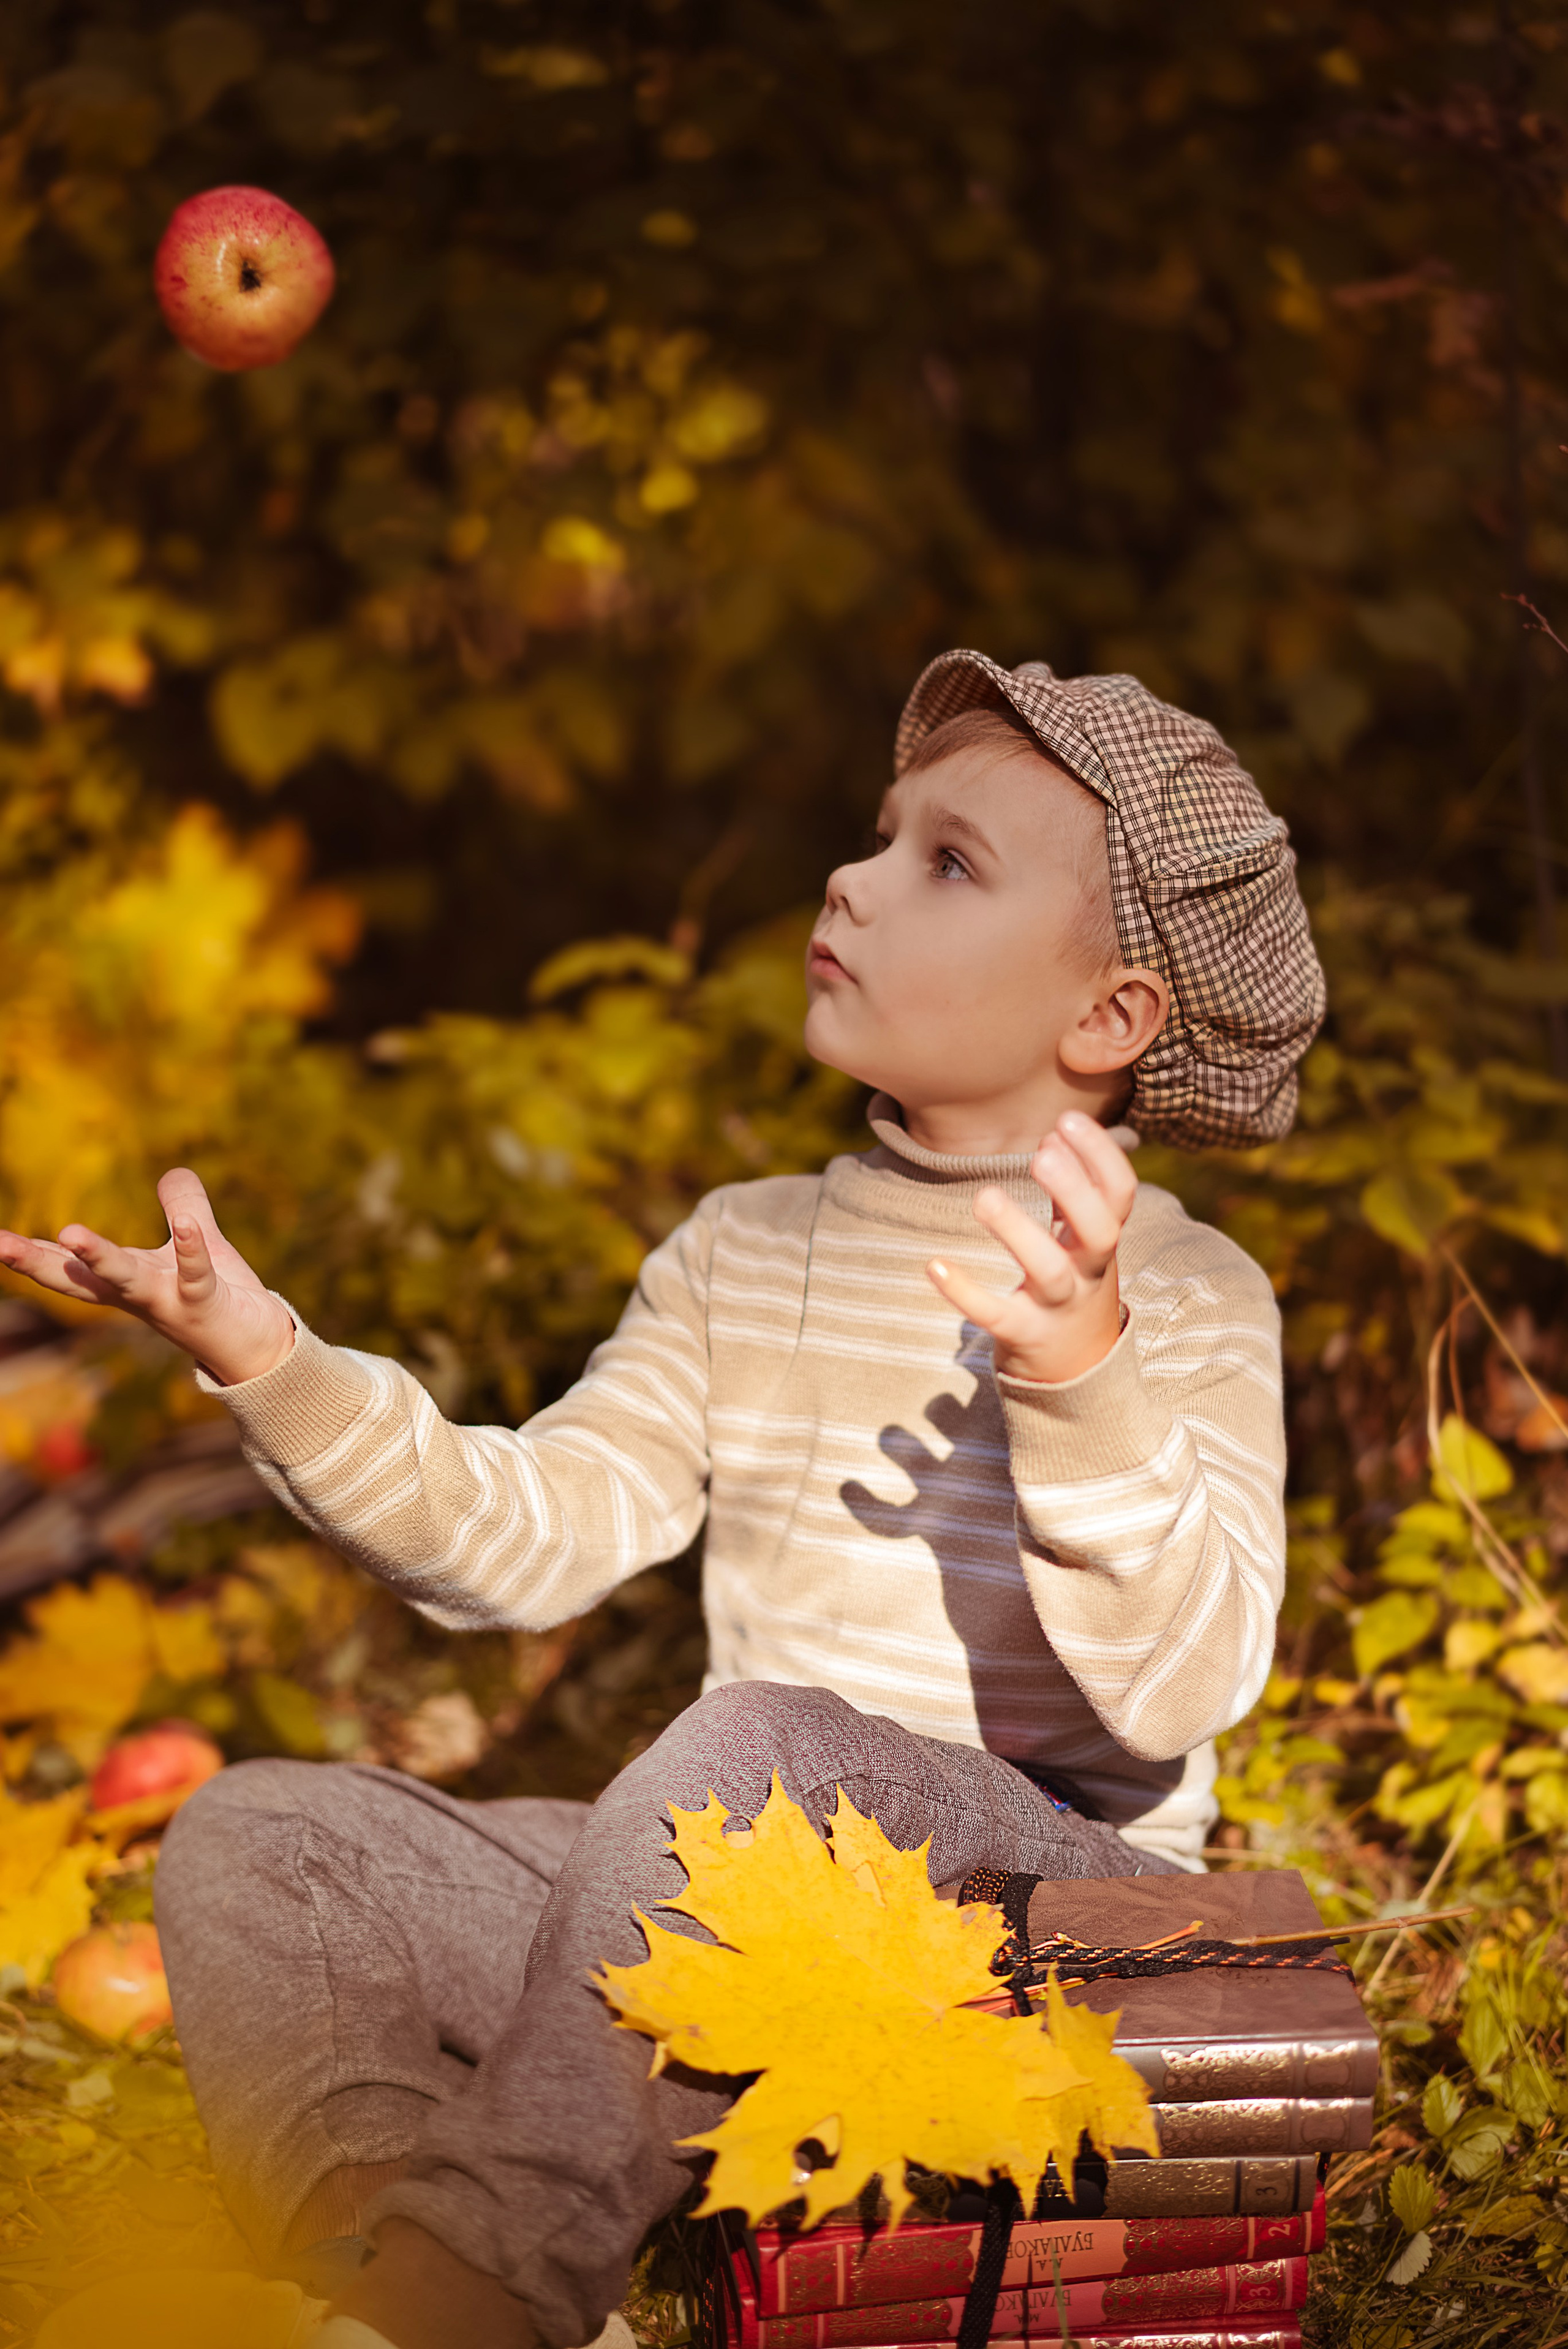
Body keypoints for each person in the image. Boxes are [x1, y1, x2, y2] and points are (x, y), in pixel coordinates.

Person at [0, 650, 1325, 2349]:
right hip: (724, 1921)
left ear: (1109, 1019)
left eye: (949, 862)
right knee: (265, 1838)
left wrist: (1079, 1370)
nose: (852, 875)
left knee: (762, 1746)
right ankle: (387, 2274)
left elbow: (1187, 1682)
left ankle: (482, 2280)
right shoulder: (743, 1250)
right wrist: (271, 1360)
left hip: (1031, 1928)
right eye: (880, 832)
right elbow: (529, 1534)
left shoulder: (1186, 1294)